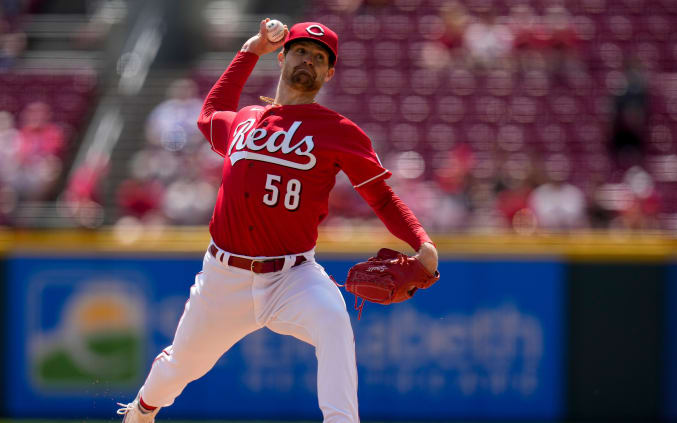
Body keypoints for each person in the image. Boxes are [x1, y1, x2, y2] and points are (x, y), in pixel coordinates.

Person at [116, 19, 439, 423]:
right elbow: (211, 112)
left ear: (329, 73)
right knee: (180, 367)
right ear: (283, 56)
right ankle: (141, 412)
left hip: (293, 275)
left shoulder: (341, 132)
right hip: (223, 277)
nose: (310, 60)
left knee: (334, 322)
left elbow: (382, 197)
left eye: (320, 58)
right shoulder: (247, 119)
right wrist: (251, 50)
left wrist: (422, 241)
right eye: (302, 51)